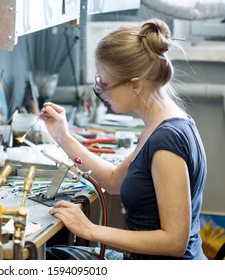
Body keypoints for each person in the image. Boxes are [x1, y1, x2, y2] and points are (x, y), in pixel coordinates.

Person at [39, 18, 207, 260]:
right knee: (54, 255)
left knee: (45, 261)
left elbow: (174, 242)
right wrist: (62, 136)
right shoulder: (160, 124)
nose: (100, 91)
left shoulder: (166, 142)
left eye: (104, 83)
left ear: (136, 85)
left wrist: (91, 230)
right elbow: (114, 180)